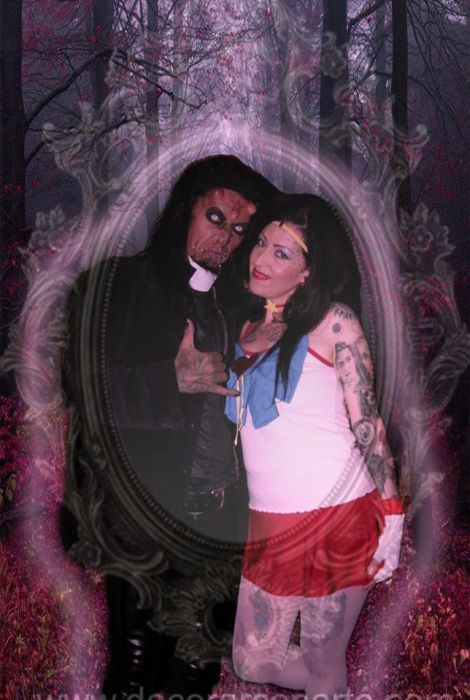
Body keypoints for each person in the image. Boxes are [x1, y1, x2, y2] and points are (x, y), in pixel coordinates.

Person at [61, 155, 276, 698]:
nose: (225, 239)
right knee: (137, 665)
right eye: (215, 217)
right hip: (145, 512)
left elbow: (228, 398)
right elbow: (81, 385)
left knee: (197, 667)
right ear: (185, 209)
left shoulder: (237, 302)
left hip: (216, 518)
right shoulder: (118, 283)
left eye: (240, 229)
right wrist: (167, 380)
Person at [225, 193, 405, 699]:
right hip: (270, 524)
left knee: (324, 661)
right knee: (251, 661)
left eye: (282, 252)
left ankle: (332, 686)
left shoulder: (334, 322)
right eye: (262, 243)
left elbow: (367, 423)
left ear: (307, 272)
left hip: (338, 517)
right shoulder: (248, 325)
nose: (261, 258)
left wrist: (393, 514)